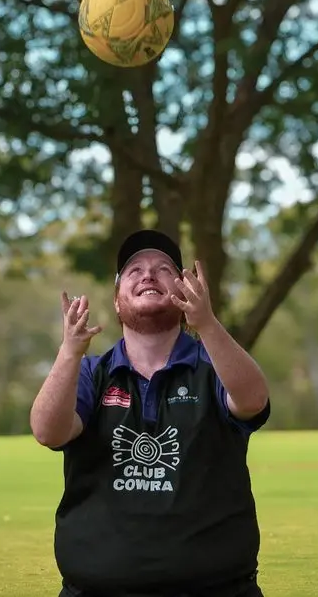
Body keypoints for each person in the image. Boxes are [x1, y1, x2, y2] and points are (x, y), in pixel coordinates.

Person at [30, 228, 272, 597]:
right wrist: (69, 352)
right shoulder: (89, 373)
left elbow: (254, 400)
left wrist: (205, 323)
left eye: (163, 269)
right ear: (116, 299)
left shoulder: (215, 366)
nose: (148, 274)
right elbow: (48, 431)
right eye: (134, 270)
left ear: (182, 291)